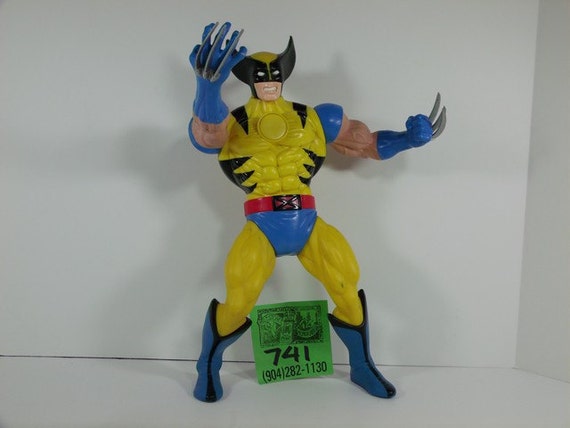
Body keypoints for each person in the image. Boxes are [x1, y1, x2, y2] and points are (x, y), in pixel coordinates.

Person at [188, 22, 446, 402]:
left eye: (275, 72)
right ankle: (208, 366)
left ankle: (362, 365)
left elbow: (367, 144)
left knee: (346, 285)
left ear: (285, 73)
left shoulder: (316, 118)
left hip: (307, 221)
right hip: (261, 223)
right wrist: (207, 88)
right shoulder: (231, 123)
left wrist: (409, 139)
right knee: (239, 300)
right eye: (260, 74)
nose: (269, 80)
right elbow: (206, 133)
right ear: (246, 78)